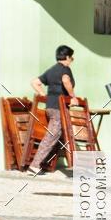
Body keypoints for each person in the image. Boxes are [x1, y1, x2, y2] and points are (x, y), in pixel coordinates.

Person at [27, 45, 77, 174]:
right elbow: (66, 80)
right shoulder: (65, 69)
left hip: (50, 107)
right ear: (67, 57)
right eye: (71, 57)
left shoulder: (51, 70)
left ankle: (74, 164)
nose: (72, 60)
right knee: (52, 137)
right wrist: (73, 96)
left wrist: (44, 95)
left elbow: (34, 82)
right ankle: (34, 166)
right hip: (59, 108)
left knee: (64, 135)